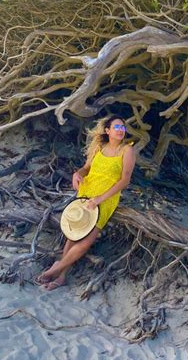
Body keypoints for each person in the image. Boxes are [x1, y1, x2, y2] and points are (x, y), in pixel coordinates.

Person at [36, 115, 136, 290]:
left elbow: (125, 180)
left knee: (87, 239)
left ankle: (57, 267)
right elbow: (86, 168)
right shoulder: (99, 147)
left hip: (105, 198)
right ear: (107, 130)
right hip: (86, 192)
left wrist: (100, 199)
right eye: (117, 127)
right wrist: (78, 174)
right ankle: (61, 277)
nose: (121, 130)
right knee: (74, 235)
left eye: (123, 127)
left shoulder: (126, 150)